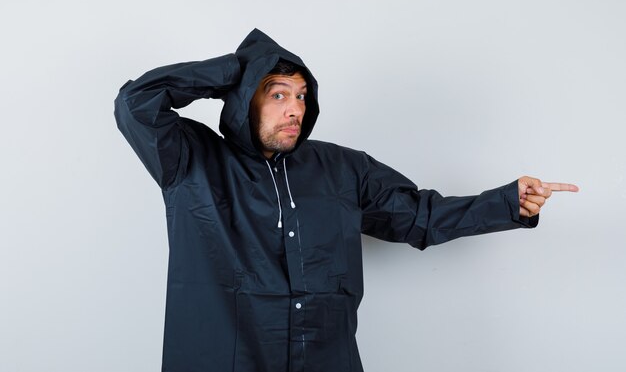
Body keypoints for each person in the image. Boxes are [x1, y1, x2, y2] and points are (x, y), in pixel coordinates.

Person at [114, 28, 578, 372]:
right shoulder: (190, 161)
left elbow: (420, 216)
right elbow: (136, 102)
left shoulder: (343, 168)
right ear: (243, 101)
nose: (295, 107)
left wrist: (507, 203)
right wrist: (241, 68)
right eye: (276, 94)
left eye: (300, 94)